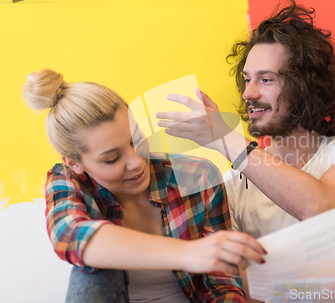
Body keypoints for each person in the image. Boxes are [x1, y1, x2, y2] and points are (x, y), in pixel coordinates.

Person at [156, 0, 335, 300]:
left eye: (266, 79)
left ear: (304, 87)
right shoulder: (236, 183)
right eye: (247, 80)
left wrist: (225, 139)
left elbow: (322, 208)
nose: (248, 93)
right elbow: (236, 286)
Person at [24, 69, 266, 303]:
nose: (136, 161)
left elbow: (221, 280)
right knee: (89, 271)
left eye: (137, 139)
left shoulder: (198, 176)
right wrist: (190, 253)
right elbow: (71, 236)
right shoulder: (68, 182)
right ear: (74, 163)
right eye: (112, 158)